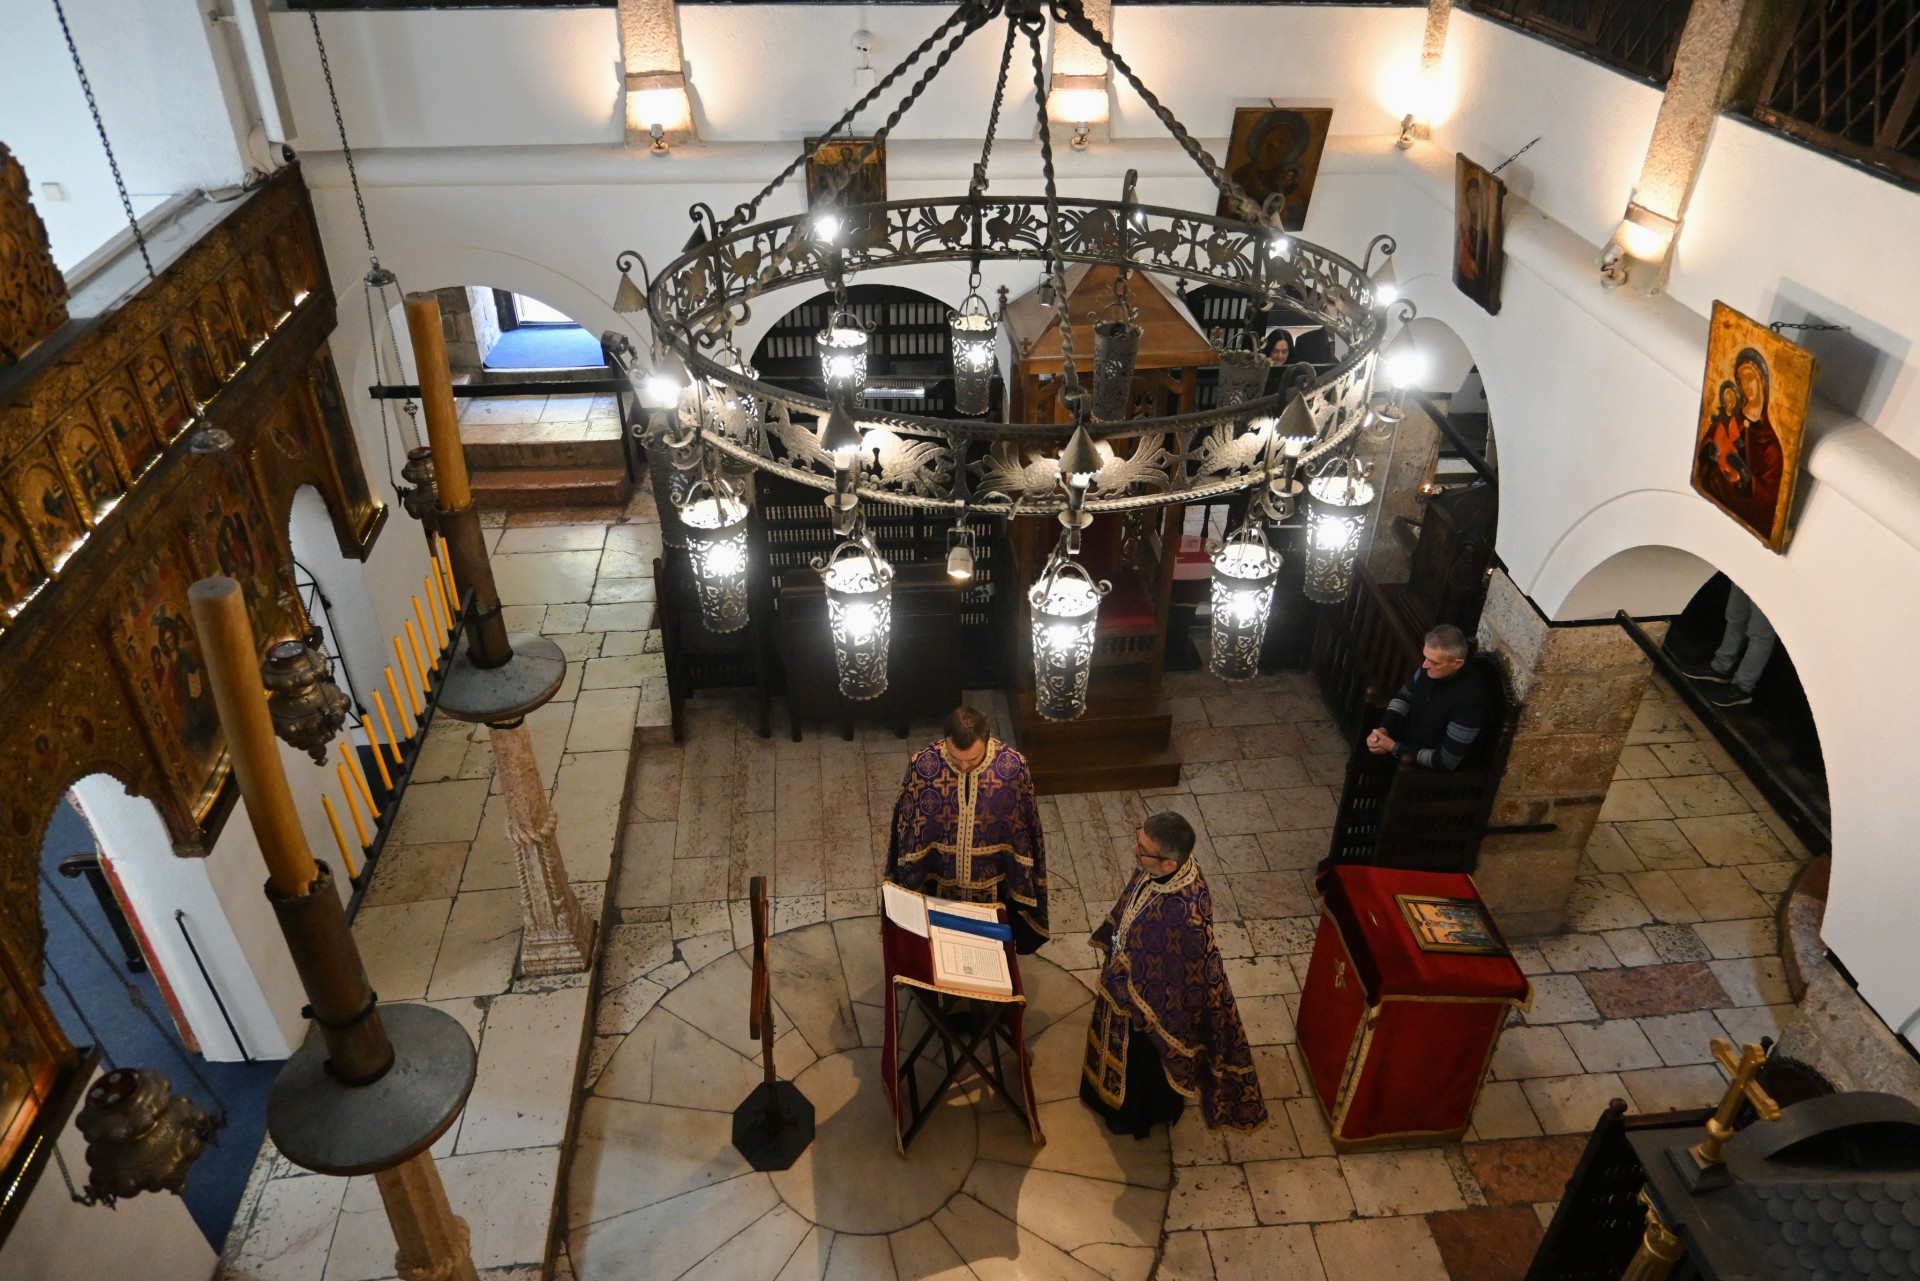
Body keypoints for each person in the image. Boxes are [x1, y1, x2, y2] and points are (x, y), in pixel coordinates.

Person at [1080, 812, 1268, 1137]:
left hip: (1155, 1009)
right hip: (1128, 982)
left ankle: (1136, 1117)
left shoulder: (1185, 917)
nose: (1134, 850)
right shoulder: (1159, 869)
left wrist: (1133, 989)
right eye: (1138, 840)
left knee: (1142, 1062)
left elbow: (1175, 978)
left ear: (1169, 863)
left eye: (1141, 849)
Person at [887, 706, 1049, 953]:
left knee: (988, 953)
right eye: (955, 758)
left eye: (972, 760)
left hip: (992, 884)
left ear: (987, 740)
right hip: (937, 880)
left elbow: (1029, 826)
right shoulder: (923, 765)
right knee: (936, 951)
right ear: (946, 741)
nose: (963, 767)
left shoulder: (1012, 767)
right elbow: (906, 826)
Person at [1367, 624, 1494, 771]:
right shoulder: (1430, 669)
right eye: (1425, 657)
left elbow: (1446, 761)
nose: (1425, 665)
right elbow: (1404, 697)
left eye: (1434, 662)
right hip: (1408, 747)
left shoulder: (1471, 704)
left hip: (1431, 773)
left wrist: (1394, 747)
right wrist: (1384, 729)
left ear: (1457, 664)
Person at [1695, 349, 1784, 539]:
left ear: (1762, 381)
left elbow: (1767, 503)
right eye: (1741, 380)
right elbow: (1709, 441)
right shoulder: (1732, 420)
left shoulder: (1771, 446)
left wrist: (1747, 481)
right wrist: (1708, 451)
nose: (1746, 386)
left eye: (1750, 378)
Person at [1681, 583, 1774, 709]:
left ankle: (1743, 687)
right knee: (1735, 616)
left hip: (1776, 581)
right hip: (1750, 573)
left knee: (1759, 633)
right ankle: (1721, 666)